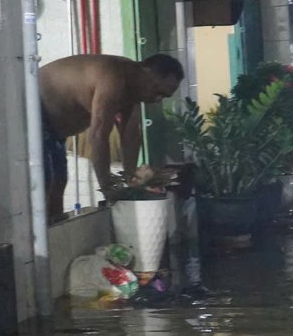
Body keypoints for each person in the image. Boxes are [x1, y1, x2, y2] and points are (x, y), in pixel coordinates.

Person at [38, 53, 184, 218]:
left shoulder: (135, 90)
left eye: (164, 96)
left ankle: (53, 227)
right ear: (147, 72)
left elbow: (131, 136)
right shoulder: (113, 78)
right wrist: (108, 190)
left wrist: (131, 182)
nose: (157, 100)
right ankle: (41, 230)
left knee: (58, 183)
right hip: (34, 110)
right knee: (46, 182)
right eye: (158, 92)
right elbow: (98, 137)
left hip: (55, 129)